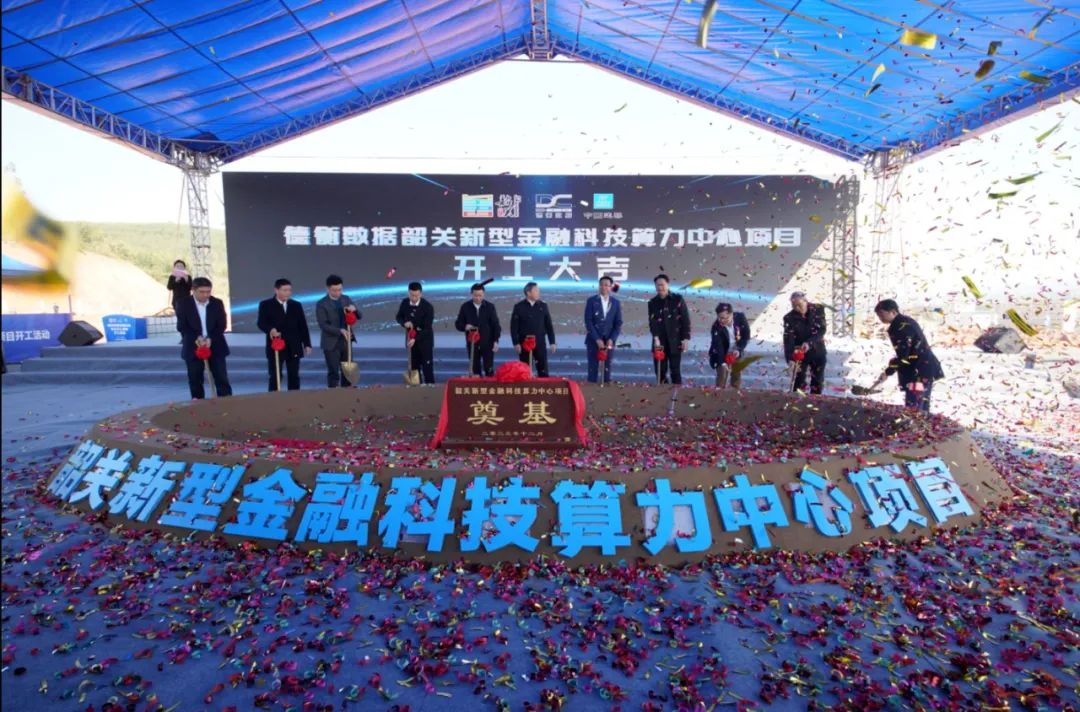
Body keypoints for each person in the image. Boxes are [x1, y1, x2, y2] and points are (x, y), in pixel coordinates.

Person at [872, 299, 944, 411]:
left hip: (918, 372)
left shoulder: (901, 327)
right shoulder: (905, 321)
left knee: (914, 409)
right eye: (878, 315)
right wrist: (891, 368)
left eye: (881, 314)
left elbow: (904, 355)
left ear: (893, 312)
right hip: (922, 369)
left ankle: (917, 422)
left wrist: (889, 371)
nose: (880, 317)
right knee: (921, 408)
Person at [176, 277, 232, 399]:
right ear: (193, 290)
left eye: (208, 292)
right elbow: (182, 326)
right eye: (202, 292)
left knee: (221, 378)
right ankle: (198, 405)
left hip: (215, 344)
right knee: (195, 379)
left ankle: (226, 404)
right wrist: (197, 338)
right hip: (193, 346)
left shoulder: (217, 303)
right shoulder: (183, 304)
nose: (205, 295)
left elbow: (221, 325)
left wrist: (210, 338)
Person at [257, 278, 311, 391]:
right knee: (275, 376)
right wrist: (271, 330)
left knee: (294, 375)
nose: (288, 293)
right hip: (276, 345)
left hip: (294, 345)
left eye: (289, 290)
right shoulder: (266, 305)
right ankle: (274, 398)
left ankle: (294, 398)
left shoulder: (296, 305)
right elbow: (261, 323)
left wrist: (307, 344)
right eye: (284, 290)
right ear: (276, 290)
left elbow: (302, 326)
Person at [315, 274, 359, 388]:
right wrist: (340, 330)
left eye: (340, 289)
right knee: (333, 372)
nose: (338, 292)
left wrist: (354, 310)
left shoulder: (346, 299)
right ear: (328, 289)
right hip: (331, 342)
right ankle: (333, 393)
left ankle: (348, 392)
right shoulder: (321, 304)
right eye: (334, 290)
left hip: (346, 341)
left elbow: (359, 316)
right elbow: (323, 325)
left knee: (348, 370)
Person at [648, 274, 691, 384]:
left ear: (668, 285)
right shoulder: (652, 302)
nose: (660, 287)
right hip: (659, 342)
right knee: (660, 371)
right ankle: (663, 391)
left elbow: (685, 319)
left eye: (662, 285)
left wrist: (685, 339)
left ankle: (677, 392)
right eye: (657, 285)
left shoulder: (677, 299)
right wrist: (656, 338)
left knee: (675, 370)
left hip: (675, 341)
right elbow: (652, 322)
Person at [783, 291, 827, 394]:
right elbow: (788, 340)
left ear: (805, 301)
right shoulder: (789, 318)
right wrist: (790, 359)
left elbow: (821, 330)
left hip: (817, 350)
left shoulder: (818, 309)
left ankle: (816, 401)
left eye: (799, 305)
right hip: (800, 353)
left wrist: (809, 343)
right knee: (798, 381)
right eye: (794, 306)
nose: (797, 308)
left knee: (817, 381)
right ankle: (798, 400)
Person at [510, 282, 556, 377]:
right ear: (528, 293)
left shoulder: (543, 306)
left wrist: (552, 342)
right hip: (524, 343)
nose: (538, 293)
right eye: (536, 291)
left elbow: (549, 325)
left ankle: (543, 385)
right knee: (525, 370)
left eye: (538, 290)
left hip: (540, 342)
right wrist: (516, 343)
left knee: (543, 369)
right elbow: (514, 327)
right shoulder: (519, 307)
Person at [455, 282, 501, 376]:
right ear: (471, 294)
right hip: (472, 343)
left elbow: (495, 325)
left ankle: (489, 384)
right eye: (475, 295)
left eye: (480, 295)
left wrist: (496, 340)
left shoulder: (490, 307)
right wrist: (465, 326)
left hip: (487, 342)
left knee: (489, 368)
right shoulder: (465, 307)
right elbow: (458, 324)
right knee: (475, 369)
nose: (478, 298)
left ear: (484, 294)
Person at [583, 276, 623, 383]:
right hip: (593, 340)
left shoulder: (615, 303)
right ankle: (592, 389)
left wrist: (612, 339)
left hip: (609, 341)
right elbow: (588, 321)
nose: (603, 287)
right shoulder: (591, 301)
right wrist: (597, 339)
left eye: (606, 285)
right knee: (592, 369)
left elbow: (618, 323)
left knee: (607, 370)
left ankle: (606, 390)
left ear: (610, 287)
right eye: (601, 284)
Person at [395, 281, 435, 384]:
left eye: (416, 295)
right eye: (411, 295)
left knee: (427, 369)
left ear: (420, 294)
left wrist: (415, 339)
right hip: (410, 342)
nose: (413, 298)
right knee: (414, 368)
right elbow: (398, 317)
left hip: (424, 342)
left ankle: (430, 388)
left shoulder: (428, 307)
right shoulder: (405, 303)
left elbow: (427, 328)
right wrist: (404, 323)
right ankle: (416, 389)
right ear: (408, 293)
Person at [708, 302, 751, 389]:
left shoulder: (740, 318)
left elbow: (746, 336)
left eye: (725, 318)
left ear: (731, 315)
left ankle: (735, 391)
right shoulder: (716, 327)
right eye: (720, 317)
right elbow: (718, 346)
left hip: (736, 348)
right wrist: (722, 363)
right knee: (722, 373)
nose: (722, 320)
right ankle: (719, 391)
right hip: (721, 351)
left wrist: (738, 349)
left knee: (736, 373)